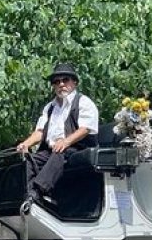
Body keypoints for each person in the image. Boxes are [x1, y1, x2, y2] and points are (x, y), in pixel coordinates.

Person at [16, 63, 99, 206]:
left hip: (77, 148)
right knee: (30, 159)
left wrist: (66, 141)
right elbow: (40, 132)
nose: (61, 84)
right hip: (52, 150)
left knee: (60, 152)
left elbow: (85, 128)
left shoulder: (84, 102)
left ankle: (39, 192)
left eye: (65, 80)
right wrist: (26, 144)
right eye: (56, 81)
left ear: (74, 82)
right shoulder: (50, 107)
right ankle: (27, 194)